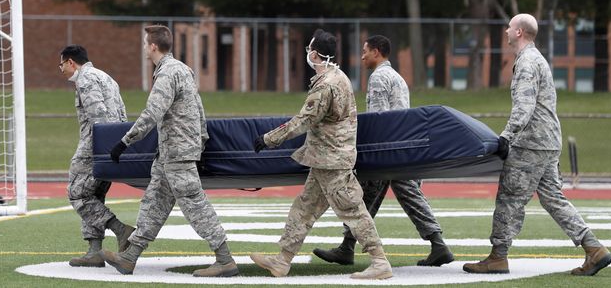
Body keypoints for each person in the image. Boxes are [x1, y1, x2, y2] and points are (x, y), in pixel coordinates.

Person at [464, 14, 611, 276]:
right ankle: (594, 248)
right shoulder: (537, 59)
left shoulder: (526, 63)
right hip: (548, 142)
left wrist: (505, 137)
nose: (506, 31)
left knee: (509, 199)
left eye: (509, 27)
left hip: (530, 144)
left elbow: (524, 107)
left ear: (520, 32)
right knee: (554, 199)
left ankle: (498, 257)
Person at [249, 29, 392, 280]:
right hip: (325, 159)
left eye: (308, 49)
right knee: (303, 208)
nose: (307, 53)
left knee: (353, 210)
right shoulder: (338, 77)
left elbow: (303, 121)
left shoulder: (325, 86)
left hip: (332, 160)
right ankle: (282, 260)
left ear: (314, 54)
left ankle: (380, 261)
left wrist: (268, 139)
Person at [101, 25, 238, 278]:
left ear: (153, 46)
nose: (144, 47)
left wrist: (124, 142)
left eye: (145, 43)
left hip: (177, 154)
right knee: (153, 204)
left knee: (195, 206)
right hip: (171, 154)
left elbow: (153, 113)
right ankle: (129, 257)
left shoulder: (166, 74)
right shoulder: (183, 69)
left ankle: (225, 259)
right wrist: (201, 142)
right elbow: (199, 110)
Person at [313, 35, 453, 267]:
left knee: (376, 196)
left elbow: (380, 119)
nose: (362, 56)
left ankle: (437, 244)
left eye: (365, 51)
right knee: (377, 195)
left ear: (376, 52)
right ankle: (348, 246)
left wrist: (371, 154)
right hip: (400, 147)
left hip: (389, 151)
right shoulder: (396, 77)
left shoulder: (378, 78)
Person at [59, 45, 135, 268]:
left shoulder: (86, 79)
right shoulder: (106, 77)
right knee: (94, 195)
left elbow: (98, 117)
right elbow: (121, 114)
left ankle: (120, 229)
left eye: (61, 64)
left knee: (77, 194)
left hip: (96, 145)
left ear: (71, 62)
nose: (61, 69)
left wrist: (100, 149)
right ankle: (94, 251)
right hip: (115, 144)